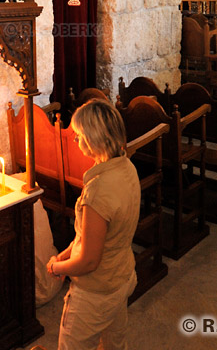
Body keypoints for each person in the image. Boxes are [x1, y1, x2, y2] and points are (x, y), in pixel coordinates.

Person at [47, 99, 140, 350]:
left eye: (79, 135)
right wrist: (66, 253)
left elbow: (89, 261)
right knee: (114, 344)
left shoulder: (98, 192)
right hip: (121, 277)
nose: (75, 140)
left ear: (94, 138)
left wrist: (58, 268)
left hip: (95, 293)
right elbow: (95, 236)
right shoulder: (127, 167)